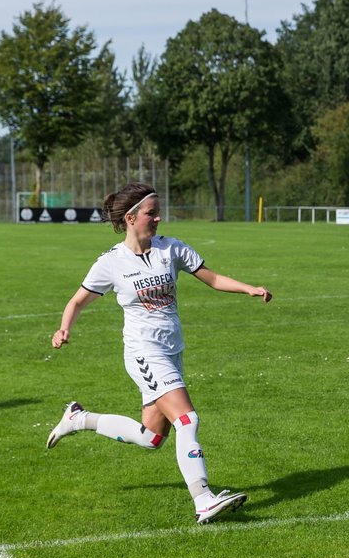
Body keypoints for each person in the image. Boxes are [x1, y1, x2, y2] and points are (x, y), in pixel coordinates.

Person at [46, 182, 273, 524]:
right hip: (144, 352)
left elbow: (211, 278)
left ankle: (79, 418)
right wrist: (65, 327)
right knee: (188, 419)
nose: (158, 218)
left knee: (151, 437)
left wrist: (249, 289)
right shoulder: (111, 262)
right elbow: (78, 299)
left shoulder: (171, 249)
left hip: (172, 350)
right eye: (152, 213)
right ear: (131, 217)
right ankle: (203, 499)